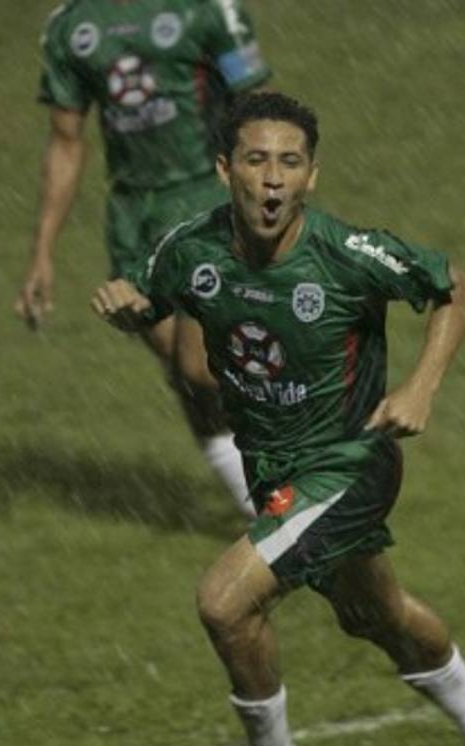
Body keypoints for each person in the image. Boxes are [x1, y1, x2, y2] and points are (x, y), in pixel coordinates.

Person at [92, 92, 465, 746]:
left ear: (312, 176)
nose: (272, 179)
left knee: (224, 602)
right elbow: (172, 330)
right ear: (224, 169)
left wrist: (421, 387)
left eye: (290, 163)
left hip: (350, 464)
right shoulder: (189, 251)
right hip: (276, 472)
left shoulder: (347, 254)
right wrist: (132, 311)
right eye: (256, 160)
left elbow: (454, 287)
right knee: (377, 615)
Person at [17, 0, 273, 516]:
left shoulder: (207, 10)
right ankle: (264, 504)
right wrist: (43, 252)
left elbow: (259, 107)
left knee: (199, 366)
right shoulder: (71, 26)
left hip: (205, 196)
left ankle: (311, 434)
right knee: (182, 372)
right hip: (134, 218)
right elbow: (66, 142)